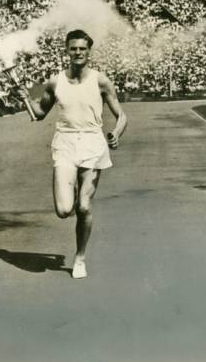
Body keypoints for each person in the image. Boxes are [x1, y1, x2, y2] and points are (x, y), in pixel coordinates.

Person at [19, 29, 128, 279]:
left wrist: (116, 133)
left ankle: (80, 258)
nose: (77, 52)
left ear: (88, 51)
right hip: (65, 144)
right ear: (66, 50)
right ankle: (69, 187)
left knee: (84, 205)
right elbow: (38, 113)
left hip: (92, 144)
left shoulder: (100, 80)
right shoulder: (56, 81)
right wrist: (24, 97)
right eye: (73, 48)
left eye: (82, 48)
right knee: (64, 209)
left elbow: (121, 115)